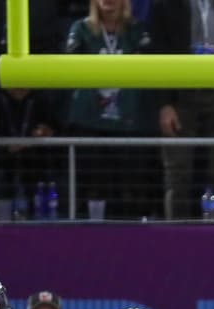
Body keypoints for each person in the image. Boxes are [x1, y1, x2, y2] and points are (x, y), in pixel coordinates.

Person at [150, 0, 214, 219]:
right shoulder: (165, 5)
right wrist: (164, 104)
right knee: (178, 173)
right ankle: (175, 234)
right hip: (180, 94)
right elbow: (157, 53)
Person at [63, 0, 153, 220]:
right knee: (91, 185)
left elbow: (146, 64)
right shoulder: (81, 28)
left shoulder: (136, 29)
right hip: (90, 121)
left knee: (127, 188)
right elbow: (71, 65)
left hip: (127, 121)